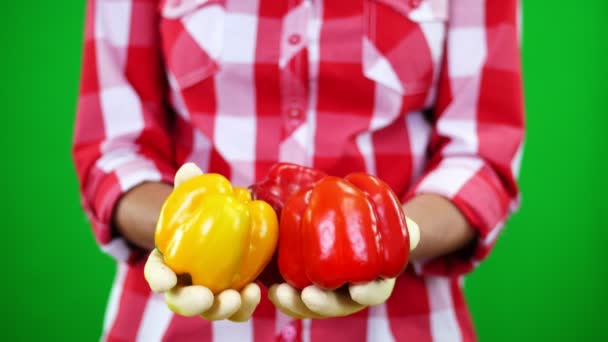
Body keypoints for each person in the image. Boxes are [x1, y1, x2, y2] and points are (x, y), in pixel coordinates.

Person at [72, 0, 524, 340]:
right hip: (175, 323)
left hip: (400, 323)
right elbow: (113, 150)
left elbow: (479, 155)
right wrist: (182, 235)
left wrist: (395, 236)